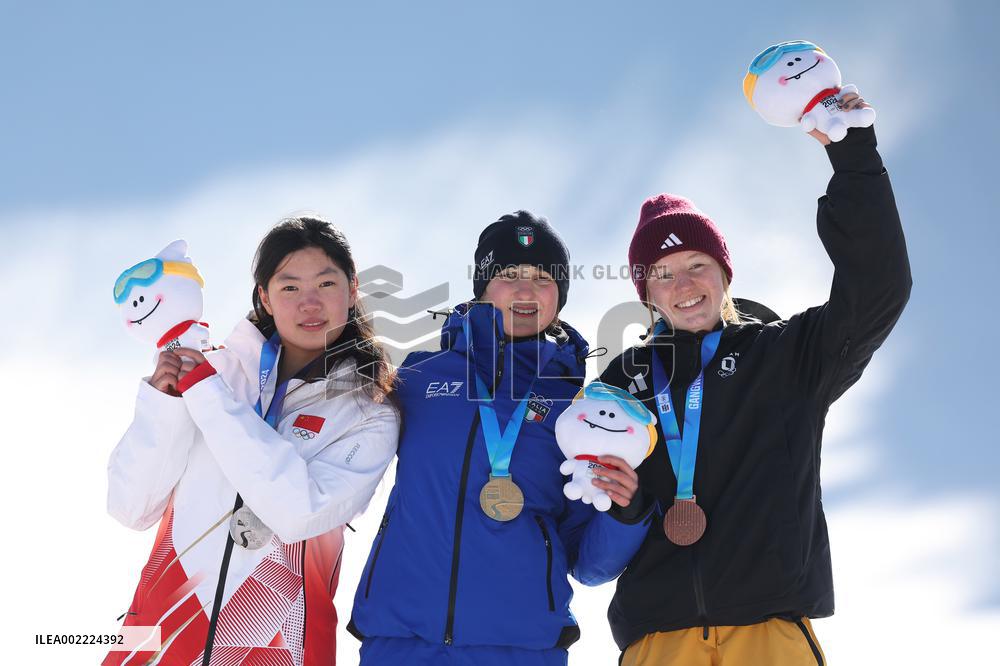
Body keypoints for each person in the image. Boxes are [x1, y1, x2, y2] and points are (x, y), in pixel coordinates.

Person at [599, 96, 911, 665]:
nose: (683, 283)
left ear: (724, 272)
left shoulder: (787, 355)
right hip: (657, 634)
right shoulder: (625, 378)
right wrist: (624, 503)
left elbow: (877, 287)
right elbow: (604, 502)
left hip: (768, 628)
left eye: (698, 264)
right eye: (663, 274)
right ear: (646, 295)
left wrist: (854, 158)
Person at [348, 211, 656, 666]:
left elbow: (590, 566)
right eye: (509, 275)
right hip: (400, 641)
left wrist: (626, 513)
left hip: (522, 649)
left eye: (543, 278)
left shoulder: (579, 410)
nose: (526, 290)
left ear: (560, 296)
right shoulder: (416, 379)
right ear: (483, 286)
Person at [104, 216, 399, 666]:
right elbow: (130, 508)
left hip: (277, 648)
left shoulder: (369, 413)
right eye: (289, 287)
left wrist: (208, 397)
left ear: (353, 288)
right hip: (157, 641)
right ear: (264, 295)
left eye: (325, 283)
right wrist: (162, 406)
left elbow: (299, 513)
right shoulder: (218, 371)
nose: (310, 303)